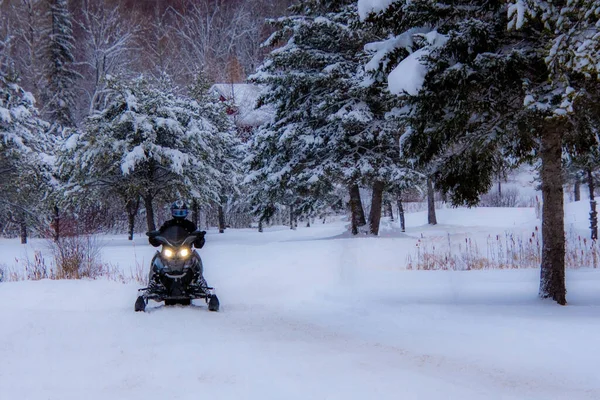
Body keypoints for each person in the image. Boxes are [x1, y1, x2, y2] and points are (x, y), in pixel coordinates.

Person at [148, 200, 208, 288]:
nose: (179, 214)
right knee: (157, 258)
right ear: (172, 212)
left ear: (186, 212)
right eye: (177, 212)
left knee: (195, 257)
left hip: (185, 252)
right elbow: (159, 237)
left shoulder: (190, 225)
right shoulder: (168, 224)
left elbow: (198, 244)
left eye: (181, 212)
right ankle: (153, 281)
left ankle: (198, 279)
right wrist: (153, 237)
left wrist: (200, 238)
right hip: (168, 251)